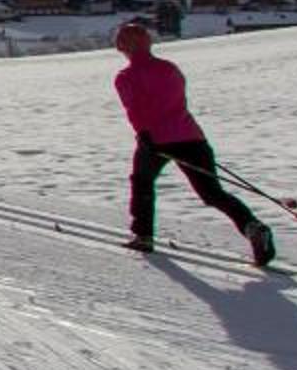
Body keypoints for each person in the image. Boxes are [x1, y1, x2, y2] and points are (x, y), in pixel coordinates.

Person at [111, 20, 274, 266]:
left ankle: (143, 236)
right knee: (212, 192)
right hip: (191, 136)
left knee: (142, 182)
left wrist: (144, 134)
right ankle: (253, 227)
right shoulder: (169, 68)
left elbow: (135, 109)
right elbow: (177, 101)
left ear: (124, 46)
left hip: (155, 140)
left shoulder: (126, 77)